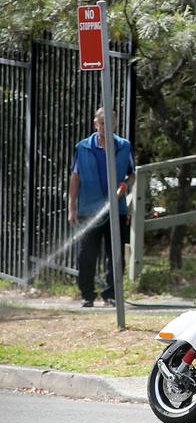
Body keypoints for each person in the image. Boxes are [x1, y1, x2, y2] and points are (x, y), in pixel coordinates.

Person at [67, 108, 135, 308]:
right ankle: (87, 295)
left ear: (115, 124)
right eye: (102, 123)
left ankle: (111, 294)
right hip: (89, 211)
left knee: (115, 255)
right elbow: (75, 177)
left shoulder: (124, 146)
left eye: (109, 123)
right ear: (95, 123)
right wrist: (71, 207)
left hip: (117, 210)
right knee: (87, 254)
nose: (105, 127)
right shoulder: (82, 148)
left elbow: (132, 174)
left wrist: (124, 186)